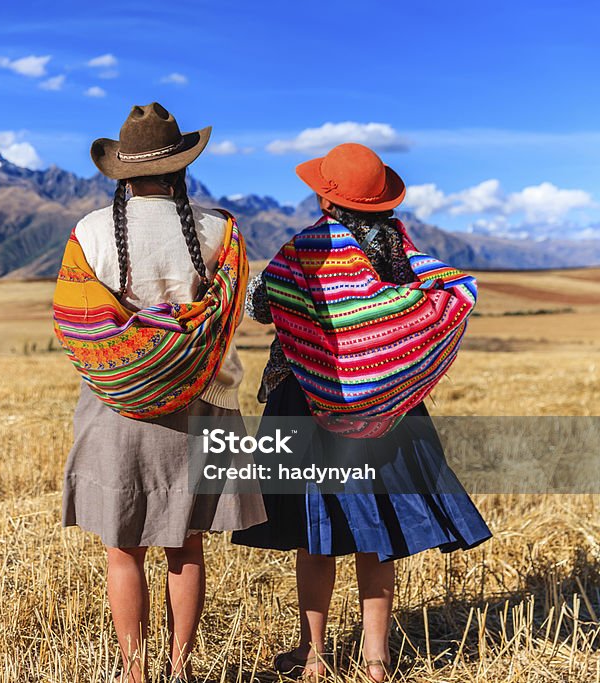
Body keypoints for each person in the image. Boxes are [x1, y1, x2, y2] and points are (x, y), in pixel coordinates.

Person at [232, 143, 492, 682]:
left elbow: (261, 304)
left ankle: (314, 656)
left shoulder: (304, 249)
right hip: (389, 411)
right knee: (379, 534)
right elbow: (437, 302)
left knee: (315, 531)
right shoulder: (404, 252)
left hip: (306, 403)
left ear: (325, 194)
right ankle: (377, 659)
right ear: (382, 199)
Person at [53, 102, 266, 683]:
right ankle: (181, 666)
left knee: (123, 547)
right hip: (205, 403)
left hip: (115, 404)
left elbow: (74, 321)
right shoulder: (220, 232)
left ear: (121, 171)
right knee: (187, 545)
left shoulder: (89, 233)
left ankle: (133, 671)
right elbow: (236, 314)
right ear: (180, 168)